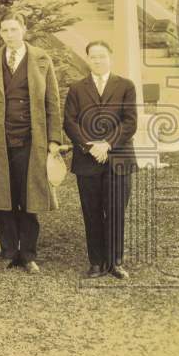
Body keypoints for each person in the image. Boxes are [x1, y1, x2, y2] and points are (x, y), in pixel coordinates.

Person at [0, 11, 62, 274]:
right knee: (4, 197)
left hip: (30, 139)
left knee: (29, 198)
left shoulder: (41, 59)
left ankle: (28, 254)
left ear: (24, 30)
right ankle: (8, 251)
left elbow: (52, 101)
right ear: (0, 33)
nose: (9, 35)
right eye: (5, 30)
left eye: (14, 29)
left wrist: (54, 139)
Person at [63, 40, 138, 280]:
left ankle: (115, 262)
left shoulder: (125, 85)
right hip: (88, 160)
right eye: (93, 57)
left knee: (116, 211)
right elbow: (70, 122)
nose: (97, 60)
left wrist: (107, 144)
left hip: (118, 158)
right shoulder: (77, 88)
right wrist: (89, 146)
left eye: (102, 56)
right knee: (92, 211)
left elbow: (130, 122)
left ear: (110, 57)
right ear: (88, 59)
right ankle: (96, 262)